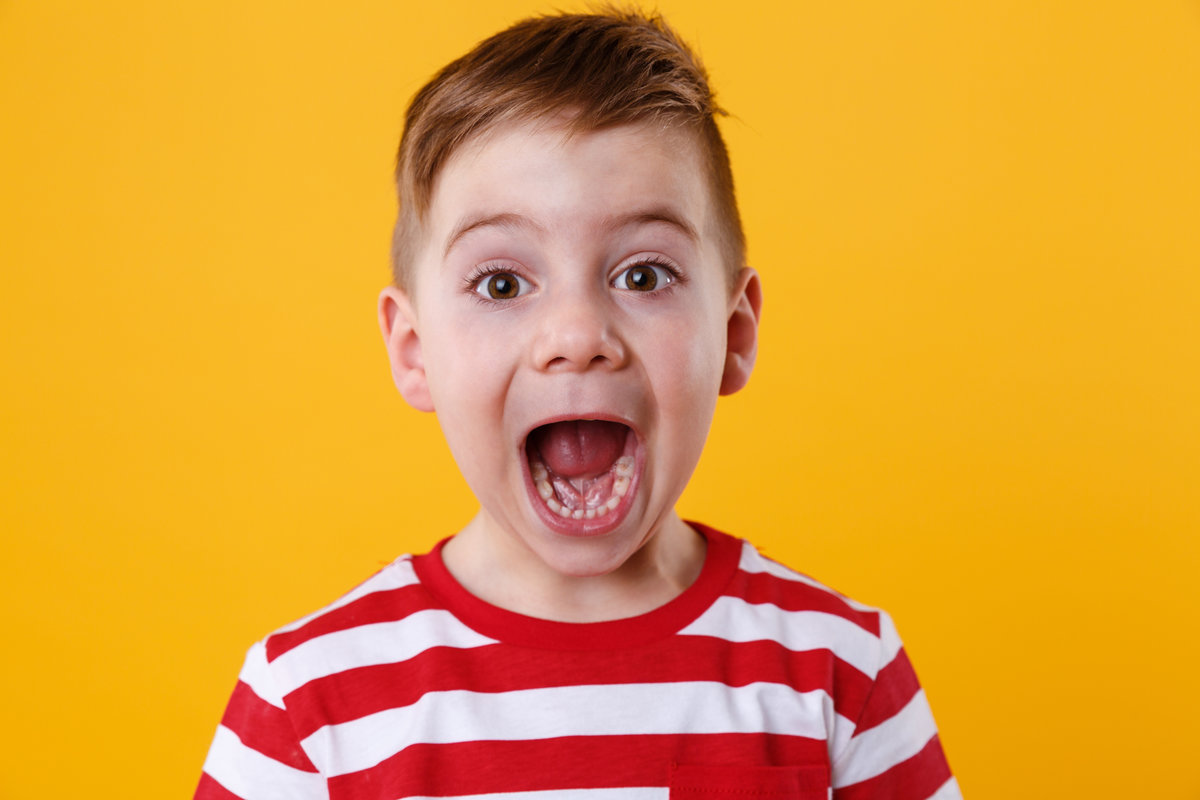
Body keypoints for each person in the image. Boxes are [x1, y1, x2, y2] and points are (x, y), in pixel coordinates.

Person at [196, 9, 960, 799]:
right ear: (415, 351)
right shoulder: (306, 708)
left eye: (643, 275)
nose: (577, 335)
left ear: (732, 333)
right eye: (502, 284)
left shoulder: (840, 674)